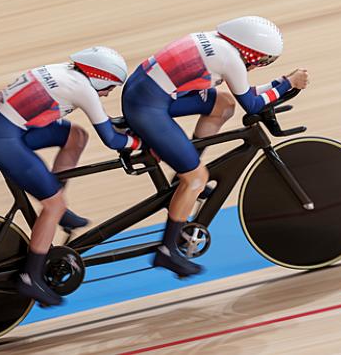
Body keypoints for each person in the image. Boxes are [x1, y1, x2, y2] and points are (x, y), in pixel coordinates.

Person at [121, 16, 310, 277]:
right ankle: (167, 251)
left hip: (147, 93)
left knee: (223, 104)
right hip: (147, 107)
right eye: (263, 60)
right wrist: (287, 84)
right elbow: (253, 105)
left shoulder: (220, 43)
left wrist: (281, 82)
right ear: (250, 50)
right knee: (198, 178)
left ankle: (182, 175)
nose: (259, 65)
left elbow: (243, 92)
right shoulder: (230, 59)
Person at [0, 46, 140, 306]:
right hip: (4, 140)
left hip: (3, 125)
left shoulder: (69, 72)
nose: (109, 93)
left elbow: (103, 121)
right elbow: (111, 140)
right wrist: (138, 143)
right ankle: (30, 277)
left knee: (77, 136)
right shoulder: (83, 89)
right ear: (99, 77)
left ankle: (57, 209)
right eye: (110, 87)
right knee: (52, 205)